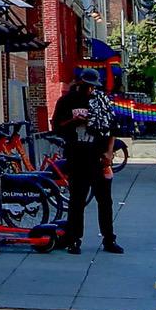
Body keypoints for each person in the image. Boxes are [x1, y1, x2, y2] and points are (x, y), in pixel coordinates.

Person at [55, 68, 122, 254]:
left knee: (105, 201)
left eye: (92, 86)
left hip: (98, 157)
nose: (89, 89)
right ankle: (74, 238)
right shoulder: (66, 101)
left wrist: (109, 153)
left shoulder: (101, 101)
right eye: (86, 85)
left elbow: (112, 129)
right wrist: (73, 121)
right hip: (77, 155)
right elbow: (57, 127)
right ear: (79, 83)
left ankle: (109, 239)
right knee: (77, 200)